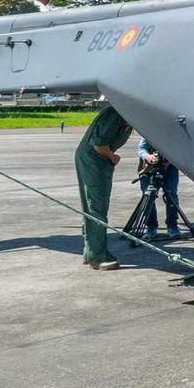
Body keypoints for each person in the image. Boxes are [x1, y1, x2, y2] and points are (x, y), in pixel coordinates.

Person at [73, 104, 133, 270]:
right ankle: (98, 257)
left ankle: (90, 252)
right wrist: (113, 157)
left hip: (96, 160)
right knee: (96, 207)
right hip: (94, 160)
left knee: (92, 206)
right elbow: (99, 145)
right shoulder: (116, 113)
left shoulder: (127, 113)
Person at [134, 137, 186, 239]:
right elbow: (141, 149)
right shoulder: (149, 132)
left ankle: (172, 226)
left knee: (171, 194)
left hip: (170, 166)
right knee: (148, 196)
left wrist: (168, 160)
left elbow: (180, 149)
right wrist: (148, 156)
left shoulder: (172, 134)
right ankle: (151, 226)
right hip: (149, 167)